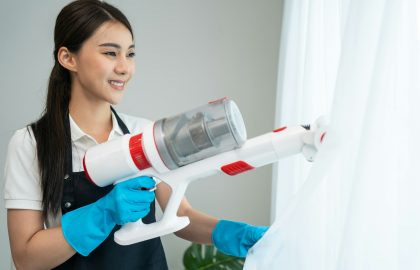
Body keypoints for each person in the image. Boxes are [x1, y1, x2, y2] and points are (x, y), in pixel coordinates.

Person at [3, 1, 268, 269]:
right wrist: (102, 214)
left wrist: (234, 234)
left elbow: (181, 214)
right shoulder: (31, 143)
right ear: (68, 58)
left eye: (130, 54)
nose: (124, 67)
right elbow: (26, 258)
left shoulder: (145, 135)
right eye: (110, 53)